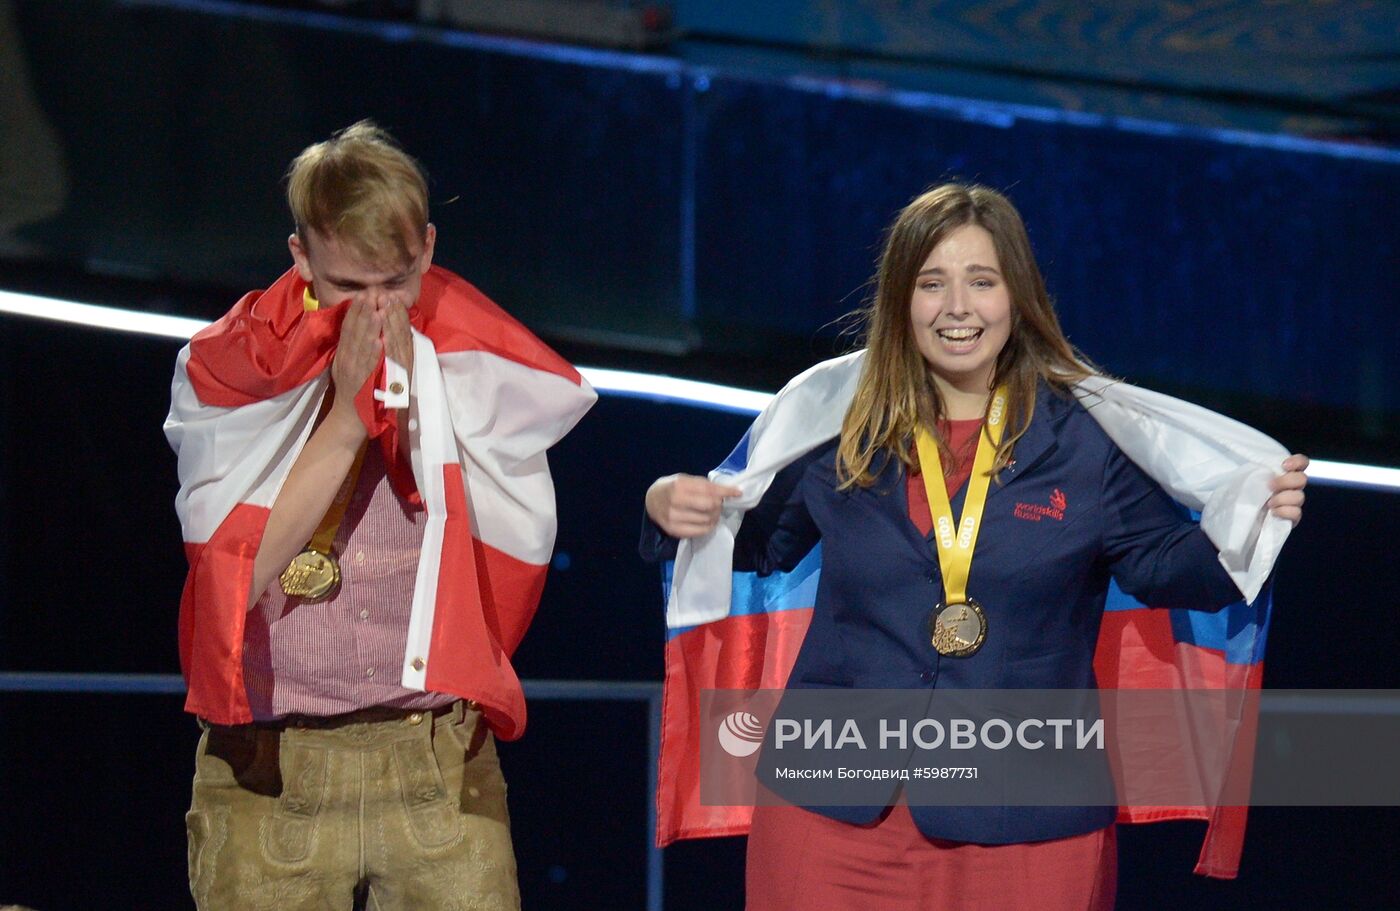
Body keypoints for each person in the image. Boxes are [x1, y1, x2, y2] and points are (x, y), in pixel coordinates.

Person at [642, 183, 1308, 910]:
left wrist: (1249, 526)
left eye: (981, 282)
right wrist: (665, 506)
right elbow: (758, 542)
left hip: (1027, 823)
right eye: (932, 283)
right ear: (902, 301)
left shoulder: (1087, 440)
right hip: (826, 813)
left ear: (1017, 298)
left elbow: (1164, 566)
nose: (957, 306)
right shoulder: (842, 428)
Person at [165, 121, 595, 910]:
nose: (372, 310)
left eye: (393, 283)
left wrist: (408, 396)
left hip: (434, 763)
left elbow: (511, 535)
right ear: (300, 259)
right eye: (345, 288)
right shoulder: (228, 371)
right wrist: (347, 415)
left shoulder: (475, 366)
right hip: (272, 771)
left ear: (427, 249)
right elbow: (237, 574)